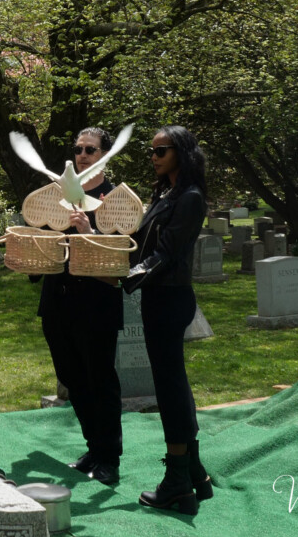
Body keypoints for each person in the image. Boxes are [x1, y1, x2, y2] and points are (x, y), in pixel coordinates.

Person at [123, 125, 212, 513]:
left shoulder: (190, 198)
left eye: (162, 150)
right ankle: (195, 474)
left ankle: (177, 482)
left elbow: (165, 254)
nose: (154, 157)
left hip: (171, 299)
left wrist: (123, 278)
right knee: (174, 383)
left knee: (170, 387)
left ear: (182, 153)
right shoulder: (166, 194)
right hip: (158, 298)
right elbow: (144, 245)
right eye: (152, 151)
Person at [35, 127, 125, 484]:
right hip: (57, 302)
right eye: (78, 149)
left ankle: (110, 458)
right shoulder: (57, 196)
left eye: (91, 149)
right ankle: (93, 447)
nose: (83, 155)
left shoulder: (117, 200)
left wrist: (88, 233)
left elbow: (122, 259)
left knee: (100, 380)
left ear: (103, 156)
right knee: (72, 378)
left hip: (96, 305)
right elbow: (42, 244)